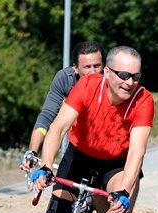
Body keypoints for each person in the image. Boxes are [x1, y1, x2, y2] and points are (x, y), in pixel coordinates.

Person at [14, 46, 154, 213]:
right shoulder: (88, 86)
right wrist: (44, 165)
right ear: (107, 72)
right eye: (124, 75)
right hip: (79, 155)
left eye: (136, 76)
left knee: (120, 208)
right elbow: (57, 128)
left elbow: (137, 152)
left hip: (116, 161)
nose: (130, 82)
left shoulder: (143, 99)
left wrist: (124, 191)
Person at [19, 41, 105, 171]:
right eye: (87, 67)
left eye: (97, 66)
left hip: (108, 142)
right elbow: (47, 116)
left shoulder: (111, 80)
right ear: (75, 68)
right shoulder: (65, 79)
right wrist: (32, 151)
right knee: (60, 188)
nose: (93, 72)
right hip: (79, 142)